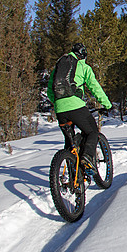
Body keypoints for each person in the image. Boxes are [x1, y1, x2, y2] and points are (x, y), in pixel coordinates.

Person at [47, 42, 112, 179]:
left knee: (69, 141)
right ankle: (87, 157)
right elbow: (95, 87)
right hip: (75, 106)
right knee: (92, 131)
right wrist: (107, 104)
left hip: (59, 108)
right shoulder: (83, 66)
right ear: (83, 56)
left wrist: (58, 103)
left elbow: (50, 90)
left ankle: (73, 177)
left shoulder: (59, 66)